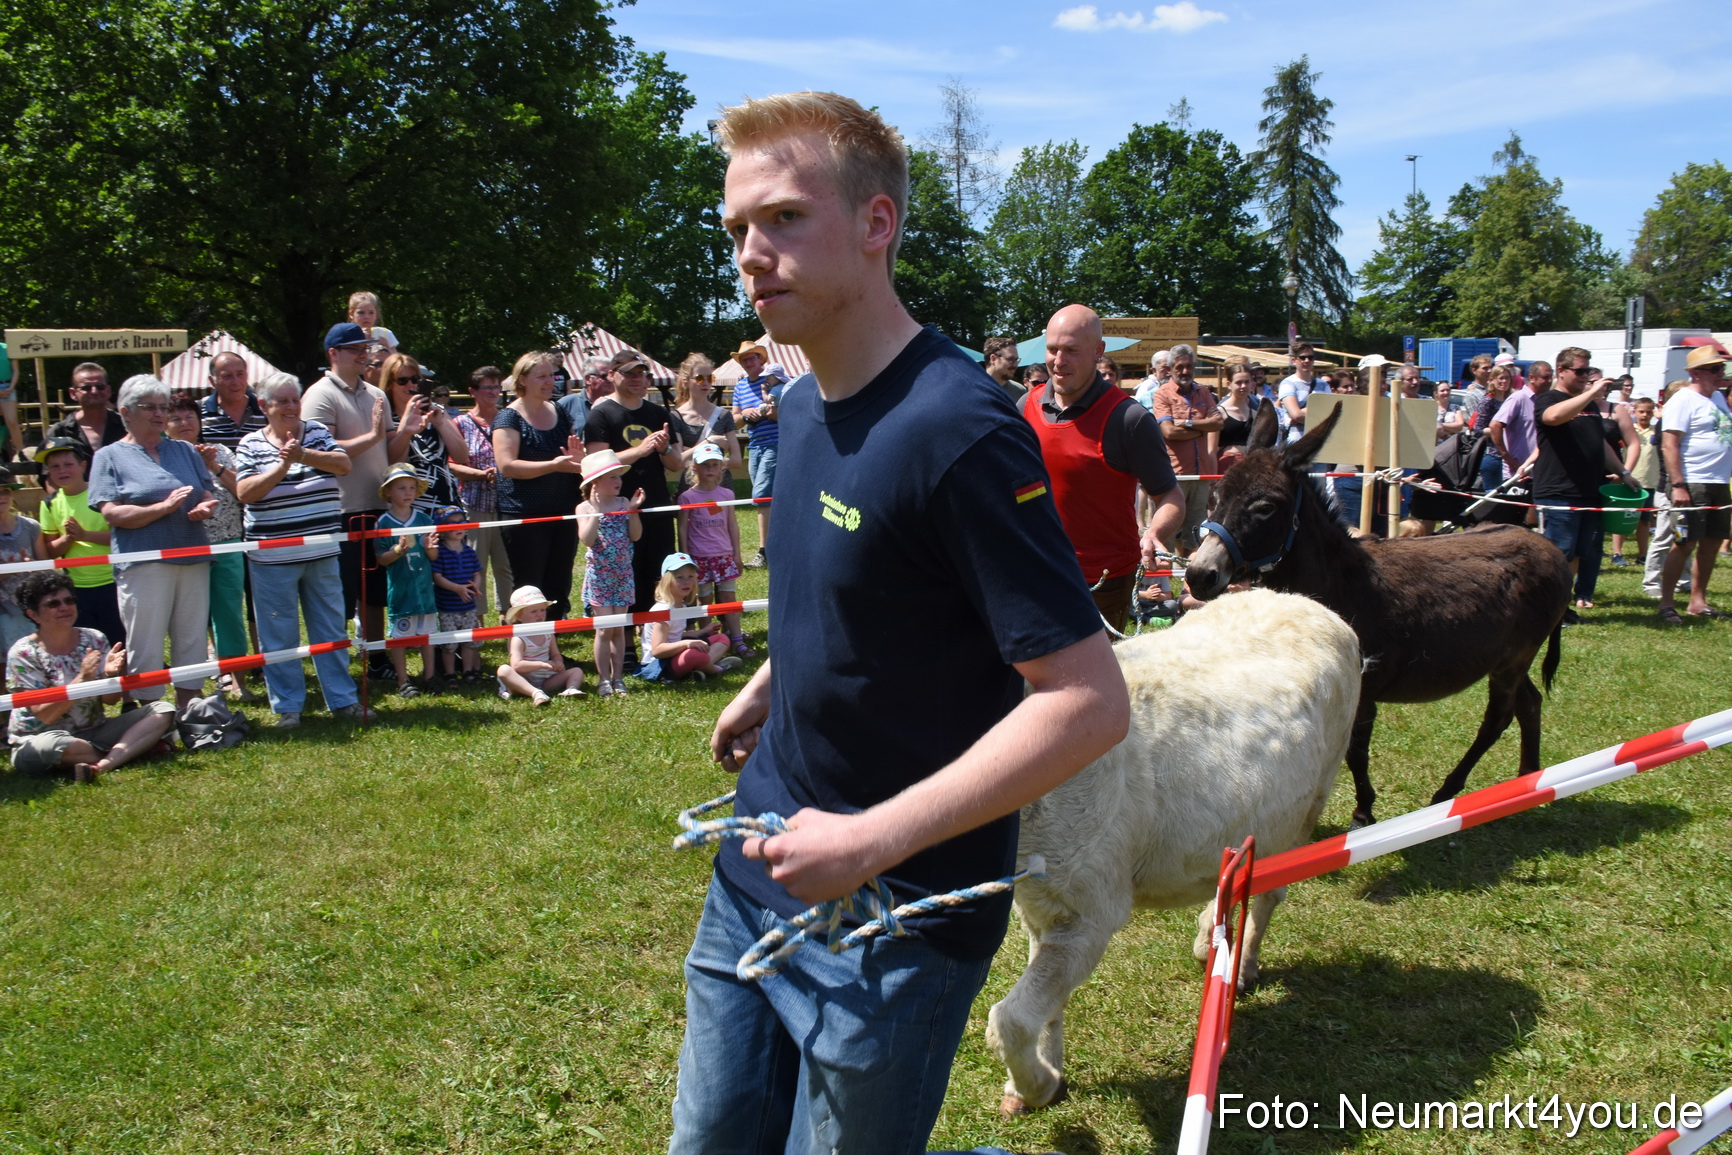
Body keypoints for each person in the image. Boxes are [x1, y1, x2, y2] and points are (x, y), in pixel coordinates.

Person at [672, 91, 1127, 1155]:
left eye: (783, 218)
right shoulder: (793, 405)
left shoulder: (960, 429)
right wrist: (777, 679)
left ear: (877, 224)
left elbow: (1087, 702)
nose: (750, 252)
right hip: (755, 870)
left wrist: (870, 841)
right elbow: (854, 588)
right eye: (738, 226)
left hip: (895, 923)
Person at [1026, 304, 1184, 630]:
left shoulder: (1129, 418)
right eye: (1052, 350)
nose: (1058, 361)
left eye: (1071, 351)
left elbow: (1171, 495)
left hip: (1103, 582)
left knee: (1093, 678)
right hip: (1035, 570)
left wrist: (1154, 532)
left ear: (1098, 351)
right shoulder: (1025, 406)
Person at [232, 372, 368, 728]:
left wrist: (303, 453)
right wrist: (284, 464)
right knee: (279, 634)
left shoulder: (318, 433)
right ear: (263, 406)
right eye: (283, 401)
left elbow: (343, 464)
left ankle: (342, 700)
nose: (292, 407)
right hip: (271, 558)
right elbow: (245, 493)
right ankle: (288, 707)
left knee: (331, 630)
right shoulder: (249, 444)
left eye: (295, 399)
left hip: (322, 552)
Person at [88, 375, 219, 710]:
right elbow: (111, 513)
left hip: (193, 555)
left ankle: (191, 712)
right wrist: (161, 509)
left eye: (163, 407)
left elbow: (205, 491)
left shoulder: (185, 450)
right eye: (150, 407)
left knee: (190, 638)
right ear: (125, 412)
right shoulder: (109, 456)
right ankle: (150, 714)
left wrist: (205, 506)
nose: (160, 414)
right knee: (145, 641)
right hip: (143, 562)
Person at [7, 572, 176, 783]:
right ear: (33, 615)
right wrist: (83, 679)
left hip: (94, 731)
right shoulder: (22, 653)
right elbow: (45, 715)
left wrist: (109, 676)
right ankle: (134, 750)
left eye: (69, 601)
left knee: (163, 710)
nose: (64, 607)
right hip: (42, 738)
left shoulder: (93, 638)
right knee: (52, 746)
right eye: (53, 604)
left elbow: (111, 700)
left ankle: (103, 764)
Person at [301, 322, 393, 677]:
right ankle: (335, 664)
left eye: (365, 347)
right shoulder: (320, 395)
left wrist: (407, 431)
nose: (363, 354)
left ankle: (376, 658)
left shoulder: (376, 394)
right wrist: (371, 436)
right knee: (337, 594)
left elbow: (387, 446)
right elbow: (322, 452)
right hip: (339, 509)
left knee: (373, 591)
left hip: (377, 506)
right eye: (354, 348)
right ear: (333, 354)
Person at [162, 394, 256, 700]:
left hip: (227, 543)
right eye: (175, 418)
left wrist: (213, 465)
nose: (184, 423)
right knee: (189, 620)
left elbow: (243, 492)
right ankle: (196, 687)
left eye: (190, 416)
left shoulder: (222, 452)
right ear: (165, 424)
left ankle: (238, 681)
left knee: (229, 614)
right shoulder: (159, 458)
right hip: (183, 547)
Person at [1534, 347, 1641, 614]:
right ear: (1561, 370)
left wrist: (1624, 473)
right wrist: (1592, 392)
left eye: (1587, 372)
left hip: (1589, 490)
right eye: (1580, 371)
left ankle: (1562, 607)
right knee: (1559, 553)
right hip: (1558, 490)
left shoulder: (1590, 407)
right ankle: (1546, 608)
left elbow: (1601, 445)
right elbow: (1553, 417)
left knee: (1579, 553)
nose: (1584, 377)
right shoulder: (1547, 399)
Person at [585, 349, 684, 616]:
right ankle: (625, 646)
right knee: (624, 574)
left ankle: (658, 640)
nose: (637, 379)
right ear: (612, 375)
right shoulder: (601, 414)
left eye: (642, 374)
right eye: (630, 374)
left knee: (660, 573)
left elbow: (676, 464)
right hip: (616, 510)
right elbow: (595, 463)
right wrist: (639, 451)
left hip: (656, 504)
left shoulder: (657, 412)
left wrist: (663, 449)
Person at [492, 350, 583, 617]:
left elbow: (572, 456)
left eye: (552, 376)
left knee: (558, 583)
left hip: (563, 509)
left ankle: (551, 649)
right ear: (522, 380)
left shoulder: (560, 411)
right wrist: (553, 465)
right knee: (529, 586)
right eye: (541, 376)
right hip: (524, 515)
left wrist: (578, 459)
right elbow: (507, 466)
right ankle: (527, 649)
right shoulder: (508, 417)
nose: (550, 382)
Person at [1656, 346, 1732, 622]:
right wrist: (1678, 485)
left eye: (1721, 368)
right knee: (1685, 543)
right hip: (1692, 482)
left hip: (1718, 482)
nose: (1721, 374)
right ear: (1696, 373)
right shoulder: (1683, 400)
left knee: (1712, 542)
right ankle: (1666, 603)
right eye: (1715, 369)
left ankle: (1697, 601)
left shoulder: (1718, 399)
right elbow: (1670, 445)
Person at [38, 438, 123, 646]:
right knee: (88, 645)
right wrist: (68, 538)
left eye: (68, 464)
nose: (62, 471)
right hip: (76, 588)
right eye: (55, 467)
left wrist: (85, 535)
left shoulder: (104, 495)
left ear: (83, 465)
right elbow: (49, 550)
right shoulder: (49, 504)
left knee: (121, 642)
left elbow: (123, 539)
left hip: (113, 582)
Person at [576, 449, 642, 699]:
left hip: (623, 575)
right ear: (595, 482)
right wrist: (595, 511)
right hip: (600, 577)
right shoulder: (583, 508)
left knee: (618, 628)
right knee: (604, 630)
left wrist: (633, 510)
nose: (618, 482)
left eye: (619, 476)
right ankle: (603, 679)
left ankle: (618, 678)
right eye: (611, 477)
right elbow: (587, 539)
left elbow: (635, 536)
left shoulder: (624, 503)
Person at [449, 366, 512, 618]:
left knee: (505, 565)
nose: (493, 392)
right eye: (487, 387)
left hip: (507, 504)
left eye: (496, 387)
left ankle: (511, 618)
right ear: (472, 391)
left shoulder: (507, 418)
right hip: (475, 504)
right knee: (476, 564)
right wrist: (482, 474)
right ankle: (476, 622)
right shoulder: (460, 423)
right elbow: (452, 465)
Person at [676, 443, 748, 656]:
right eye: (705, 465)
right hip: (700, 558)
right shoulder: (687, 497)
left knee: (729, 599)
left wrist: (737, 554)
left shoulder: (726, 494)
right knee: (704, 600)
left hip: (724, 555)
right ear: (694, 468)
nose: (710, 469)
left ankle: (737, 638)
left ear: (721, 468)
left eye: (715, 465)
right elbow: (682, 528)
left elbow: (732, 524)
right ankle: (707, 638)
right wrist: (686, 557)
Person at [374, 462, 438, 698]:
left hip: (424, 589)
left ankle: (430, 676)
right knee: (400, 637)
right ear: (388, 492)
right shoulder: (383, 523)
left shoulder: (423, 518)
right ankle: (403, 680)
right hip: (401, 591)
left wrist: (430, 548)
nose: (408, 492)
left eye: (412, 487)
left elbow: (433, 555)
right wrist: (398, 551)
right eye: (401, 488)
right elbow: (382, 558)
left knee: (427, 635)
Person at [1148, 343, 1221, 550]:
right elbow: (1169, 431)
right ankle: (1163, 582)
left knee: (1195, 535)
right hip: (1173, 476)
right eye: (1179, 367)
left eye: (1189, 366)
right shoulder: (1162, 393)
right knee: (1166, 534)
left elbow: (1218, 423)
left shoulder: (1204, 392)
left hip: (1199, 476)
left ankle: (1189, 579)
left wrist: (1188, 424)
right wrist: (1202, 429)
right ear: (1170, 369)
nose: (1185, 371)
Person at [382, 351, 468, 517]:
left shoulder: (437, 411)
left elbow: (462, 456)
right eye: (402, 380)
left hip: (447, 506)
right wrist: (406, 426)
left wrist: (440, 423)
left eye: (415, 380)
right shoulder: (387, 418)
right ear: (389, 384)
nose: (410, 385)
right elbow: (393, 462)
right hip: (409, 511)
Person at [640, 552, 742, 681]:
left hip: (676, 655)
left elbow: (675, 636)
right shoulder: (663, 610)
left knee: (722, 638)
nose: (686, 582)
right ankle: (717, 669)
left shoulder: (681, 606)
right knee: (695, 654)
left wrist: (703, 631)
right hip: (658, 665)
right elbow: (658, 650)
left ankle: (698, 668)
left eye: (690, 576)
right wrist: (687, 643)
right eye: (679, 577)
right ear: (666, 581)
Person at [726, 340, 779, 569]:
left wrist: (764, 411)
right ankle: (774, 548)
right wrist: (747, 413)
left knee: (761, 495)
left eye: (752, 358)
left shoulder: (774, 381)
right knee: (764, 496)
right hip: (754, 446)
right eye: (744, 359)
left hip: (776, 443)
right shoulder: (740, 387)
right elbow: (734, 419)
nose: (748, 363)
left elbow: (781, 412)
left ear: (761, 360)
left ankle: (764, 552)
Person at [495, 585, 585, 704]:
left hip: (546, 679)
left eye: (542, 610)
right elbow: (517, 665)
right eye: (533, 611)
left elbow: (555, 653)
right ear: (519, 616)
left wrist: (558, 662)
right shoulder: (519, 638)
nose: (540, 614)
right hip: (523, 678)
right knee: (504, 670)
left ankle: (571, 689)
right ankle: (535, 693)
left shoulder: (547, 632)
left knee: (577, 671)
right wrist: (542, 664)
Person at [428, 505, 482, 683]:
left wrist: (476, 585)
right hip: (448, 607)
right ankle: (449, 673)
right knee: (449, 645)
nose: (458, 526)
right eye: (451, 524)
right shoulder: (440, 553)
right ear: (441, 531)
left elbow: (477, 572)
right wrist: (457, 588)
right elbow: (437, 577)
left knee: (469, 641)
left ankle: (468, 671)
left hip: (469, 607)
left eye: (461, 522)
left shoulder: (469, 551)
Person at [670, 353, 743, 477]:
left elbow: (736, 460)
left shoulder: (724, 415)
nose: (705, 383)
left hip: (721, 487)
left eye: (709, 378)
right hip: (691, 488)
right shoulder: (676, 417)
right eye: (699, 378)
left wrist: (710, 465)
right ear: (686, 382)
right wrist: (709, 441)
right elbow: (678, 462)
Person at [0, 464, 45, 652]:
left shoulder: (30, 527)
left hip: (32, 610)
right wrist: (9, 571)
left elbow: (46, 568)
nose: (2, 497)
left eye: (6, 491)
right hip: (3, 613)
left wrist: (34, 567)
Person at [1615, 396, 1662, 566]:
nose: (1645, 415)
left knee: (1645, 520)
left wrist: (1661, 417)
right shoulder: (1629, 431)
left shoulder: (1657, 431)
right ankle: (1617, 553)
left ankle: (1643, 554)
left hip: (1649, 483)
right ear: (1634, 412)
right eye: (1641, 411)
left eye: (1649, 412)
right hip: (1630, 480)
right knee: (1623, 519)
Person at [47, 362, 126, 458]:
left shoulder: (126, 427)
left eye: (100, 387)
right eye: (86, 388)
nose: (94, 391)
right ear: (73, 393)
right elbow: (48, 471)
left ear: (108, 390)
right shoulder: (60, 432)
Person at [198, 351, 268, 448]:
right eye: (227, 376)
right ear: (212, 381)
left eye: (240, 374)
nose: (235, 382)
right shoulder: (197, 411)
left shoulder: (265, 408)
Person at [1277, 341, 1329, 444]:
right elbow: (1296, 414)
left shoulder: (1323, 384)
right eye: (1302, 357)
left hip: (1320, 443)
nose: (1307, 360)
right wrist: (1320, 412)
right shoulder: (1287, 383)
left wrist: (1304, 412)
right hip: (1296, 443)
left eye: (1310, 357)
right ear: (1294, 360)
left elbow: (1330, 411)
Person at [1215, 364, 1260, 473]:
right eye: (1238, 382)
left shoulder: (1254, 413)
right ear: (1229, 384)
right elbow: (1211, 450)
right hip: (1225, 465)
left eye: (1246, 382)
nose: (1243, 386)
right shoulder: (1219, 412)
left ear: (1252, 384)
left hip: (1249, 465)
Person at [556, 357, 610, 436]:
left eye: (612, 375)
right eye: (605, 376)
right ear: (588, 379)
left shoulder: (621, 404)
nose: (611, 380)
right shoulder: (565, 405)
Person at [982, 336, 1025, 401]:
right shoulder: (972, 388)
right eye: (1011, 359)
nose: (1016, 365)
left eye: (1016, 360)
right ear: (993, 358)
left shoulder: (1020, 391)